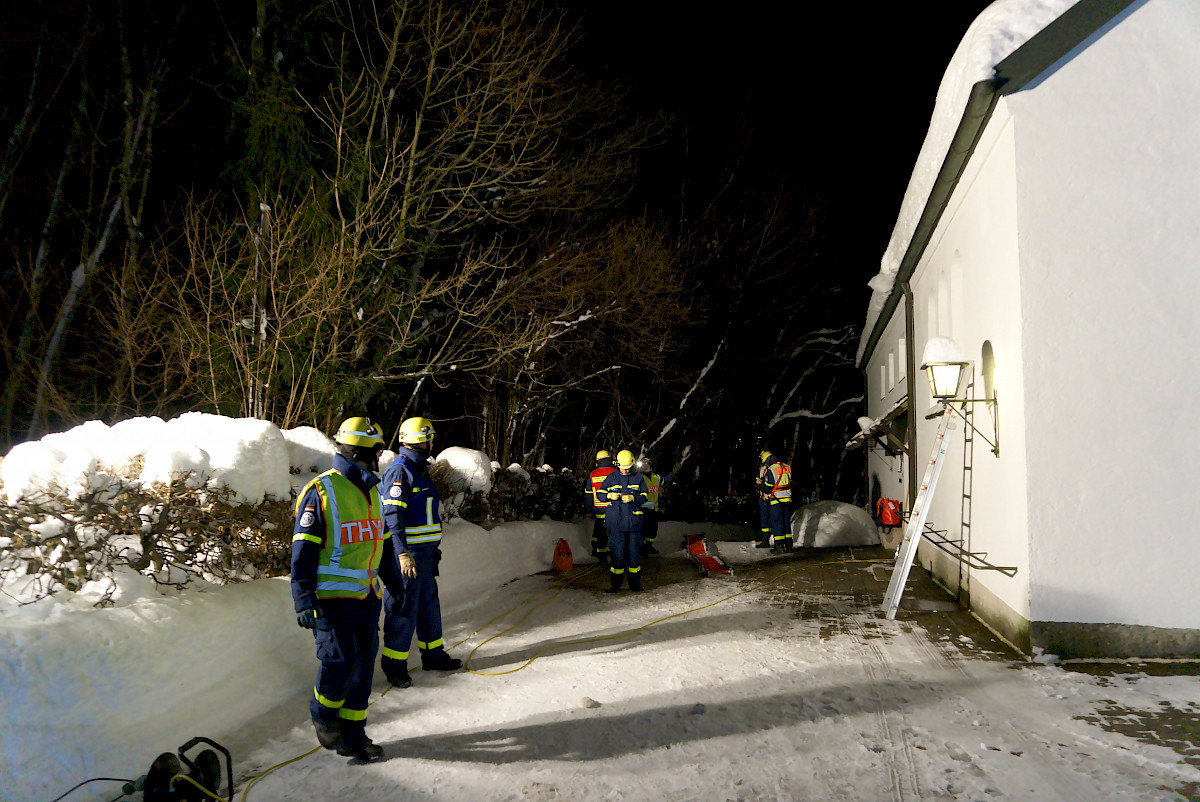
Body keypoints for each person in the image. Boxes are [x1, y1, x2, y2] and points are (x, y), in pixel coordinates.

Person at [291, 416, 401, 761]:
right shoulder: (321, 491)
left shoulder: (373, 490)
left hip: (366, 600)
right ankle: (324, 718)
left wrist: (395, 583)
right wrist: (304, 599)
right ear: (359, 452)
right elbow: (303, 551)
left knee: (362, 668)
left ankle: (354, 735)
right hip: (330, 602)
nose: (381, 459)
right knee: (338, 663)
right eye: (377, 452)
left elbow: (379, 542)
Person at [379, 416, 462, 689]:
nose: (431, 443)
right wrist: (402, 553)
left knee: (428, 606)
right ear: (418, 440)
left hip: (424, 555)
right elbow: (392, 514)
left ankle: (433, 655)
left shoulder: (419, 470)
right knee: (403, 609)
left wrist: (432, 549)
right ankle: (395, 666)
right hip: (407, 557)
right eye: (428, 438)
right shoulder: (400, 471)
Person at [598, 450, 649, 592]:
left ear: (632, 464)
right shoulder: (611, 477)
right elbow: (600, 494)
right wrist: (609, 495)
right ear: (617, 464)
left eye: (627, 467)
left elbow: (645, 496)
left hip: (634, 525)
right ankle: (615, 586)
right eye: (622, 467)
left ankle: (635, 585)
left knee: (634, 559)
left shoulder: (639, 478)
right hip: (617, 526)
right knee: (617, 558)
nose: (625, 470)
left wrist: (634, 498)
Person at [758, 450, 794, 553]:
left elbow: (767, 487)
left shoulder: (771, 470)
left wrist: (762, 485)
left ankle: (779, 547)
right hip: (787, 499)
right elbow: (788, 480)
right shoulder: (787, 467)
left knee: (777, 523)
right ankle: (789, 546)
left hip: (776, 500)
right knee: (786, 522)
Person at [586, 450, 617, 563]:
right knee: (613, 532)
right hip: (613, 509)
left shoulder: (593, 474)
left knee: (599, 531)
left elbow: (588, 494)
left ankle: (598, 552)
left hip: (599, 509)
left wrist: (589, 509)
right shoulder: (615, 472)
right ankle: (614, 554)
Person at [636, 456, 663, 555]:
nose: (645, 467)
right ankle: (642, 548)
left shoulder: (656, 477)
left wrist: (674, 472)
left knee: (653, 531)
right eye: (643, 465)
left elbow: (666, 480)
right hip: (643, 509)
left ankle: (648, 546)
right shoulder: (638, 478)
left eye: (647, 465)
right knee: (643, 530)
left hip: (654, 510)